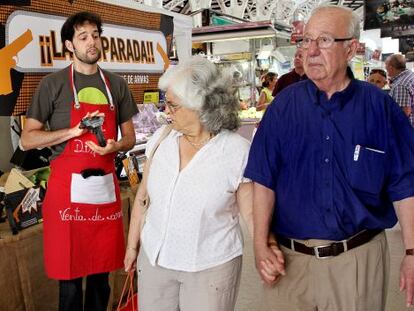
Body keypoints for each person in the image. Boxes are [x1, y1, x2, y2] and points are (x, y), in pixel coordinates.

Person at [244, 5, 414, 311]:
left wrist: (412, 253)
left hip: (357, 263)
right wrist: (259, 245)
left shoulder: (380, 108)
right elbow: (263, 180)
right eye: (306, 41)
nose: (310, 51)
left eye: (323, 41)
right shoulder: (283, 108)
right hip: (290, 264)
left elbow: (405, 185)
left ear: (350, 48)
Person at [21, 11, 138, 311]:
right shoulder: (53, 84)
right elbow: (27, 139)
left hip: (104, 189)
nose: (92, 42)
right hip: (66, 194)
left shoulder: (116, 85)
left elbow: (130, 138)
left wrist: (115, 145)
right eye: (83, 37)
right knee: (70, 281)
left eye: (95, 35)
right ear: (69, 45)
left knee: (101, 278)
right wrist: (72, 132)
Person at [124, 56, 253, 311]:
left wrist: (267, 248)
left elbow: (251, 214)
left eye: (173, 105)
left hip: (210, 266)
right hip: (156, 260)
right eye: (165, 104)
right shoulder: (162, 140)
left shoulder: (237, 151)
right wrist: (132, 246)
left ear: (201, 106)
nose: (166, 112)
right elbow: (142, 198)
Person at [385, 54, 414, 127]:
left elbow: (404, 113)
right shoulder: (410, 75)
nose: (385, 68)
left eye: (386, 66)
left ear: (391, 67)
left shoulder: (400, 85)